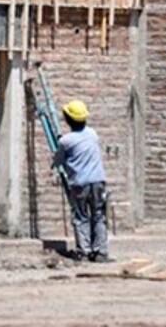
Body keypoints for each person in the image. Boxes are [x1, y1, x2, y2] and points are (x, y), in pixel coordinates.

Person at [54, 99, 109, 262]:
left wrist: (59, 147)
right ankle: (100, 252)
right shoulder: (92, 134)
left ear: (68, 119)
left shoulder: (66, 141)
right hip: (98, 181)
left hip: (79, 183)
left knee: (81, 217)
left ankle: (83, 251)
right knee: (98, 216)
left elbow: (58, 161)